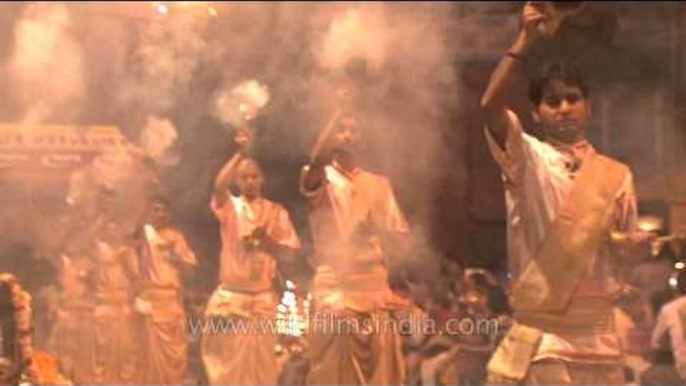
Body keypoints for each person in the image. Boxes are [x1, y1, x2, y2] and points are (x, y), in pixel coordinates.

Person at [480, 2, 652, 384]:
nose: (564, 108)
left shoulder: (617, 176)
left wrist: (632, 250)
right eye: (552, 100)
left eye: (572, 98)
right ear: (536, 113)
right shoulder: (526, 158)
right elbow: (489, 105)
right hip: (546, 342)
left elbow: (622, 259)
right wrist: (525, 37)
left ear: (588, 106)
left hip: (602, 342)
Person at [300, 106, 412, 385]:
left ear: (362, 139)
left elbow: (400, 236)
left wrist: (377, 231)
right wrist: (337, 113)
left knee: (383, 356)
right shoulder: (320, 178)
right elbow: (315, 159)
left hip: (373, 284)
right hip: (336, 284)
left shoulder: (379, 184)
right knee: (338, 355)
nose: (346, 135)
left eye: (353, 130)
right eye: (341, 129)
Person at [202, 128, 301, 385]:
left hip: (263, 301)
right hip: (232, 299)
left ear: (262, 179)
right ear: (237, 181)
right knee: (228, 372)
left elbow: (290, 253)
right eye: (243, 177)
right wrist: (239, 153)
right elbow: (217, 185)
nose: (249, 181)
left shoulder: (276, 212)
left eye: (254, 176)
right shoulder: (230, 207)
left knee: (264, 371)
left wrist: (268, 243)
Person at [134, 195, 197, 385]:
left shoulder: (176, 237)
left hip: (172, 301)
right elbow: (132, 238)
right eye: (155, 209)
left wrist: (175, 255)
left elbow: (191, 269)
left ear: (169, 214)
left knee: (176, 350)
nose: (159, 214)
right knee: (150, 354)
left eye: (162, 210)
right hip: (151, 301)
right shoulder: (144, 235)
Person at [640, 269, 686, 385]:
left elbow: (656, 342)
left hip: (683, 373)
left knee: (647, 375)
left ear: (677, 288)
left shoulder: (670, 309)